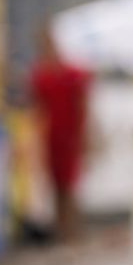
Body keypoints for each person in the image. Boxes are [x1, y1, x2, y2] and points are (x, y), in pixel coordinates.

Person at [27, 24, 93, 243]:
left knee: (69, 186)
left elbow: (83, 106)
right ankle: (61, 232)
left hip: (70, 137)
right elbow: (37, 110)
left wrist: (85, 137)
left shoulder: (73, 73)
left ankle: (72, 233)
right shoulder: (40, 75)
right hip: (51, 137)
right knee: (55, 186)